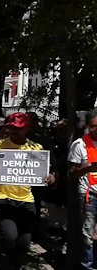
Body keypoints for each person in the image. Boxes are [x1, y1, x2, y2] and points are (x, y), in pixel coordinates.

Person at [0, 112, 55, 270]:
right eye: (11, 128)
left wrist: (51, 178)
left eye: (18, 128)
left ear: (26, 128)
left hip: (26, 200)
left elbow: (48, 173)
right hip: (3, 198)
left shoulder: (36, 148)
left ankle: (12, 265)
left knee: (24, 242)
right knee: (10, 236)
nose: (14, 131)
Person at [68, 109, 97, 270]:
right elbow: (71, 174)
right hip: (89, 196)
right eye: (93, 126)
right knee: (88, 238)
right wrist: (86, 169)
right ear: (87, 126)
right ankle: (88, 266)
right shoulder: (80, 145)